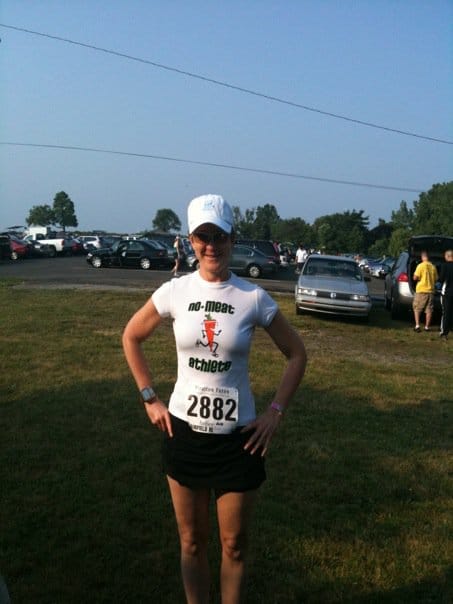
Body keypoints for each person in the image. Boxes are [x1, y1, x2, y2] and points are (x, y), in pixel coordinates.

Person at [123, 194, 307, 604]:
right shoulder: (175, 291)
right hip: (184, 433)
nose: (211, 245)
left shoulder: (253, 297)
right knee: (191, 541)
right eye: (202, 236)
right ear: (190, 240)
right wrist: (150, 397)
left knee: (234, 544)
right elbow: (131, 336)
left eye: (219, 236)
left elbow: (297, 354)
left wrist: (275, 412)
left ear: (231, 238)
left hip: (239, 440)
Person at [412, 250, 438, 332]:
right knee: (429, 310)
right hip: (431, 291)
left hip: (421, 290)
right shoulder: (433, 267)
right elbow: (436, 279)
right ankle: (427, 327)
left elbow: (415, 277)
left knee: (417, 308)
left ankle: (417, 326)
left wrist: (416, 277)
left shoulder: (420, 266)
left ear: (422, 257)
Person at [438, 249, 453, 340]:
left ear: (447, 256)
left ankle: (444, 332)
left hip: (447, 292)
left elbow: (441, 279)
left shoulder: (444, 266)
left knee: (446, 312)